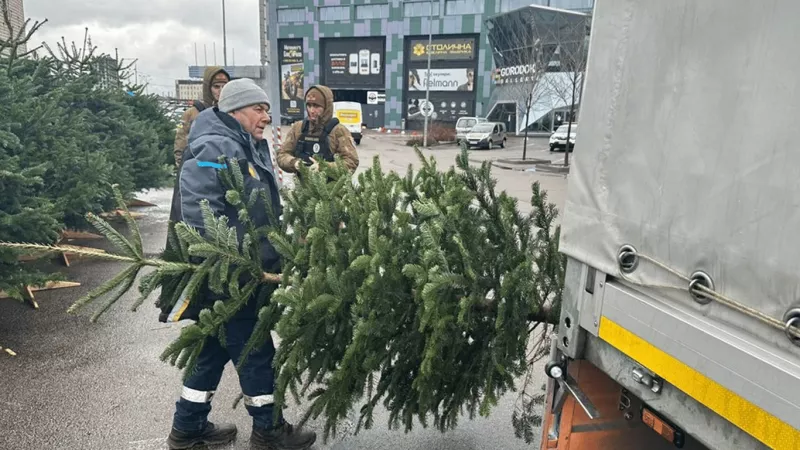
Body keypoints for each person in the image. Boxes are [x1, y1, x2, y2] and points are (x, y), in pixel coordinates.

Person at [166, 78, 317, 450]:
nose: (266, 116)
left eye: (267, 109)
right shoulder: (213, 145)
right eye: (259, 109)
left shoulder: (248, 143)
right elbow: (200, 211)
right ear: (235, 110)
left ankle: (187, 427)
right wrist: (230, 262)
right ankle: (269, 430)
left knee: (213, 349)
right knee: (254, 349)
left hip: (250, 270)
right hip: (231, 274)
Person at [277, 85, 359, 174]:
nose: (312, 110)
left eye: (316, 106)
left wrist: (323, 167)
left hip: (331, 187)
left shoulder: (338, 131)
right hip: (302, 186)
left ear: (326, 107)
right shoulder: (298, 128)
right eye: (309, 105)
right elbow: (282, 155)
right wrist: (295, 163)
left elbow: (351, 162)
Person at [173, 66, 230, 167]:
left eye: (225, 86)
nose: (221, 90)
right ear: (208, 88)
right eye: (216, 86)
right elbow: (180, 143)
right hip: (200, 168)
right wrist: (182, 167)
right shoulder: (191, 114)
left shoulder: (231, 111)